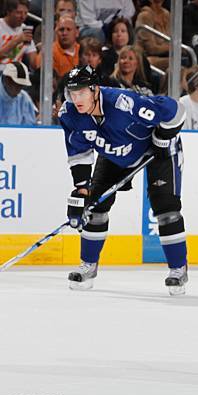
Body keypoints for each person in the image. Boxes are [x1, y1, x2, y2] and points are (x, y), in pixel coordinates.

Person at [58, 65, 188, 295]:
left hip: (157, 152)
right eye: (72, 93)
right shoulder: (70, 115)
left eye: (81, 92)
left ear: (94, 89)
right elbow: (79, 155)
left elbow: (176, 111)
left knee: (165, 209)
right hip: (114, 154)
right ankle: (88, 266)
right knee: (95, 206)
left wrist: (162, 136)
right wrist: (81, 192)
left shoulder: (124, 103)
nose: (76, 98)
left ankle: (178, 270)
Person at [0, 0, 38, 72]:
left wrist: (44, 49)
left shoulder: (25, 29)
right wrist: (16, 41)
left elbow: (34, 64)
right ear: (8, 12)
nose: (23, 17)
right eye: (19, 12)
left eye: (25, 13)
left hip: (17, 74)